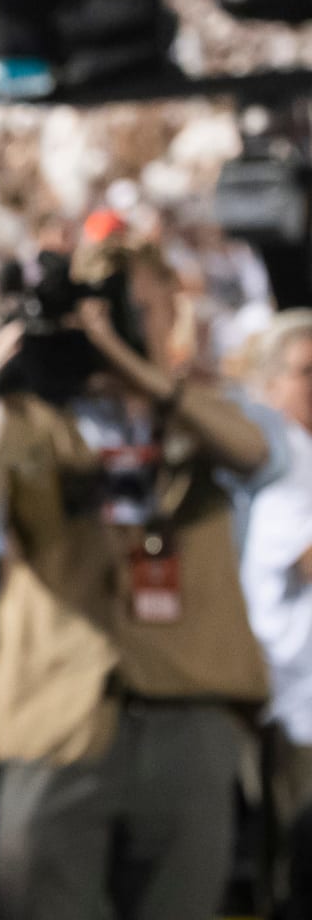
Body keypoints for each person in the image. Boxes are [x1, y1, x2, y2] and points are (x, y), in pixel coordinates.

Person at [0, 239, 276, 920]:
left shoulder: (203, 408)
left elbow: (256, 456)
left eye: (138, 308)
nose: (113, 324)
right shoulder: (32, 415)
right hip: (58, 714)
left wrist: (139, 372)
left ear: (175, 310)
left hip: (189, 713)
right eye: (104, 310)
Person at [241, 309, 312, 917]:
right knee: (294, 861)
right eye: (306, 372)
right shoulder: (277, 456)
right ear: (270, 383)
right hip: (295, 695)